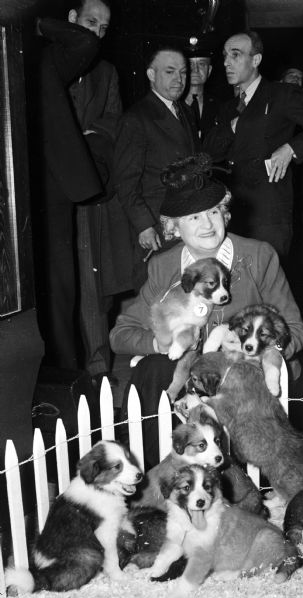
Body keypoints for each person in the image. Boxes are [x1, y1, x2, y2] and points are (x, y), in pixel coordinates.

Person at [109, 153, 303, 468]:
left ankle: (240, 476)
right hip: (188, 381)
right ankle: (158, 475)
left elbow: (296, 329)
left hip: (245, 380)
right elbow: (120, 334)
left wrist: (256, 351)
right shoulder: (164, 267)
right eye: (194, 218)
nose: (207, 224)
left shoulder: (258, 256)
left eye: (214, 212)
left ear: (226, 215)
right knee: (154, 369)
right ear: (174, 228)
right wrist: (160, 344)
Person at [203, 30, 303, 257]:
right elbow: (209, 153)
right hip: (233, 212)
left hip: (269, 214)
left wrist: (291, 149)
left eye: (235, 55)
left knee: (269, 284)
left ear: (256, 60)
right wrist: (232, 127)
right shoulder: (228, 107)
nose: (226, 62)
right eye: (225, 56)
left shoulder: (282, 95)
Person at [33, 17, 103, 370]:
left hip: (47, 181)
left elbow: (85, 44)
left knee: (57, 281)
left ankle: (64, 369)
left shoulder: (39, 55)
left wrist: (35, 21)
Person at [67, 0, 130, 383]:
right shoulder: (39, 65)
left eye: (104, 27)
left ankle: (97, 369)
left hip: (86, 186)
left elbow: (111, 124)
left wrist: (81, 145)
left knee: (91, 284)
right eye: (91, 22)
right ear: (72, 21)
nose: (97, 33)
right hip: (41, 193)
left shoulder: (106, 73)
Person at [114, 46, 200, 292]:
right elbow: (126, 181)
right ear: (151, 75)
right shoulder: (136, 118)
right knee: (160, 298)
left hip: (187, 221)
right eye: (170, 72)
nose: (179, 79)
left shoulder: (184, 111)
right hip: (157, 226)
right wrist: (143, 226)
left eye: (183, 72)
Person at [184, 43, 220, 140]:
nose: (195, 69)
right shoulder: (171, 105)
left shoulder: (221, 107)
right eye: (189, 64)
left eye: (201, 64)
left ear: (209, 70)